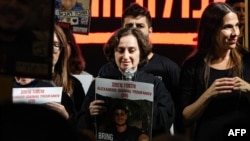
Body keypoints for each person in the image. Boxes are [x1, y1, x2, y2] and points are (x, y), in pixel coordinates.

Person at [98, 2, 181, 134]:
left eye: (140, 26)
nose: (134, 29)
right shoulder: (107, 71)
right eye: (129, 25)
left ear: (150, 31)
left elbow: (174, 113)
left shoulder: (168, 69)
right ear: (122, 30)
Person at [77, 27, 175, 138]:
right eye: (121, 50)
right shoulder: (99, 84)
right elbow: (80, 125)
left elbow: (166, 120)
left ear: (141, 52)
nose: (126, 56)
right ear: (114, 53)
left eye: (132, 50)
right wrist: (90, 114)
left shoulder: (155, 84)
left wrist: (146, 109)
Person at [179, 2, 250, 141]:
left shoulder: (247, 61)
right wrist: (209, 94)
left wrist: (248, 88)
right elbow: (185, 118)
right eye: (228, 27)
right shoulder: (193, 66)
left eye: (236, 25)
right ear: (212, 30)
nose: (235, 32)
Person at [46, 24, 86, 121]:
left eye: (56, 45)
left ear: (61, 51)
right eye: (46, 43)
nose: (51, 49)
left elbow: (83, 126)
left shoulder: (74, 85)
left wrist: (67, 117)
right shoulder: (20, 81)